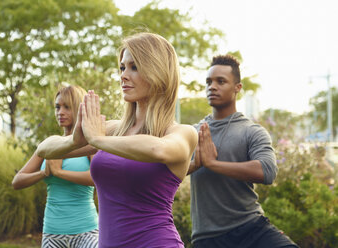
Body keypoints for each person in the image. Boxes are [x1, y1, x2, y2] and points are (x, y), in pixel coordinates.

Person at [36, 32, 198, 248]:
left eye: (134, 67)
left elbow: (158, 150)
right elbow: (45, 150)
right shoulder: (112, 130)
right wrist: (75, 141)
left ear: (158, 72)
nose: (123, 75)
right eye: (122, 67)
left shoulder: (182, 133)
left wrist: (96, 139)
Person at [188, 55, 299, 248]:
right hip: (207, 239)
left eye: (220, 81)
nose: (212, 87)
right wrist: (196, 163)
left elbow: (267, 171)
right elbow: (166, 171)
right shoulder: (192, 132)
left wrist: (213, 164)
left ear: (237, 88)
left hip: (251, 229)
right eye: (209, 82)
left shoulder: (252, 131)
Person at [12, 85, 99, 248]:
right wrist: (44, 173)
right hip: (52, 232)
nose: (60, 112)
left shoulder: (90, 143)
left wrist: (59, 172)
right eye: (57, 107)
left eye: (67, 107)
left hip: (87, 231)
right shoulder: (50, 145)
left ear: (79, 108)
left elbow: (97, 178)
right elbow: (17, 181)